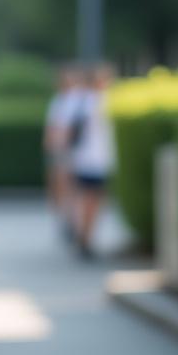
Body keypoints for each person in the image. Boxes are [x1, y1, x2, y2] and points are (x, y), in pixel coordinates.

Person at [68, 64, 116, 259]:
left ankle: (83, 235)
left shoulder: (79, 101)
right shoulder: (99, 101)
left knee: (85, 199)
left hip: (83, 158)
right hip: (96, 160)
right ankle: (86, 238)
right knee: (92, 201)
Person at [43, 66, 84, 235]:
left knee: (71, 186)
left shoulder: (76, 100)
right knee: (61, 185)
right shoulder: (58, 101)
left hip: (71, 150)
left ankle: (72, 219)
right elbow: (52, 127)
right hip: (60, 150)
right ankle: (66, 217)